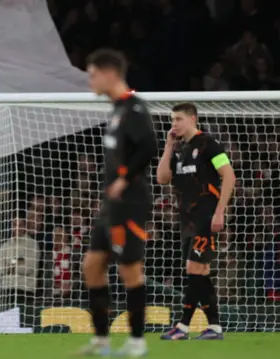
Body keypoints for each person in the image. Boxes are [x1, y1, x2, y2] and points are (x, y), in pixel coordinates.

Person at [79, 49, 157, 357]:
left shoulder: (134, 108)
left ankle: (137, 342)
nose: (90, 81)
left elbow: (149, 145)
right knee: (92, 266)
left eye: (93, 74)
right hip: (111, 205)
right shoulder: (116, 110)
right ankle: (101, 340)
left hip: (131, 203)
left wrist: (124, 179)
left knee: (130, 271)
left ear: (110, 73)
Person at [157, 103, 235, 340]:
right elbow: (162, 178)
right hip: (187, 220)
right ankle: (214, 327)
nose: (174, 124)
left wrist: (220, 211)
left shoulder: (208, 144)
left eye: (179, 119)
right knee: (199, 272)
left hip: (206, 216)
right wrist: (169, 146)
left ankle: (182, 327)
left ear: (193, 119)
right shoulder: (181, 149)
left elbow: (229, 175)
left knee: (193, 269)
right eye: (172, 120)